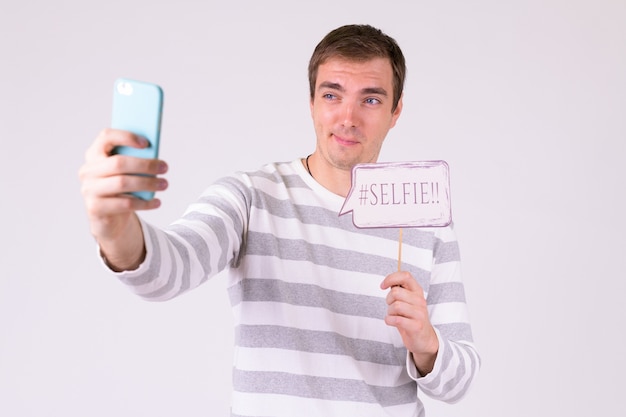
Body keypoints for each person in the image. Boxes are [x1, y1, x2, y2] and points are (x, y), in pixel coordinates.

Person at [79, 24, 480, 417]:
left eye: (371, 100)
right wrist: (114, 228)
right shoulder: (251, 197)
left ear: (396, 112)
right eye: (331, 95)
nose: (348, 117)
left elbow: (459, 382)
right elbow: (167, 270)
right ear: (311, 103)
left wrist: (427, 345)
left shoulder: (426, 222)